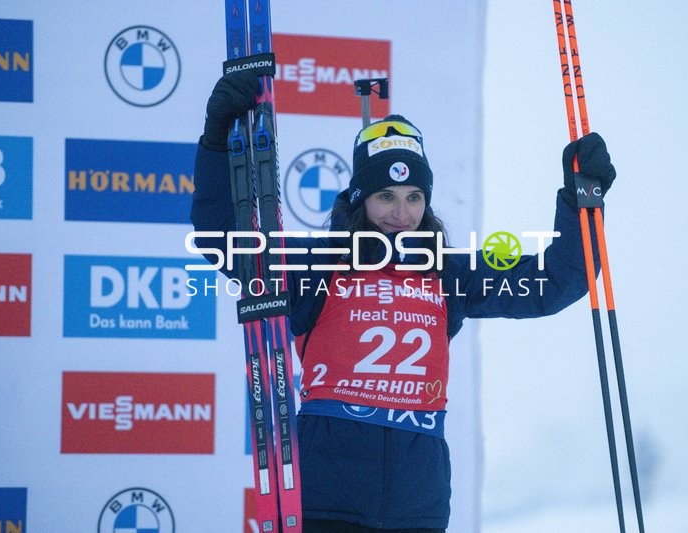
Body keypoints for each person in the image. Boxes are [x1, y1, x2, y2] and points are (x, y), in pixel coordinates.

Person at [190, 69, 617, 532]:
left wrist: (582, 203)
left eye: (414, 197)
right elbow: (224, 242)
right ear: (359, 199)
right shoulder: (316, 265)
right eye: (385, 196)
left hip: (419, 505)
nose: (401, 212)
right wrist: (217, 140)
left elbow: (555, 281)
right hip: (326, 500)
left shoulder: (449, 271)